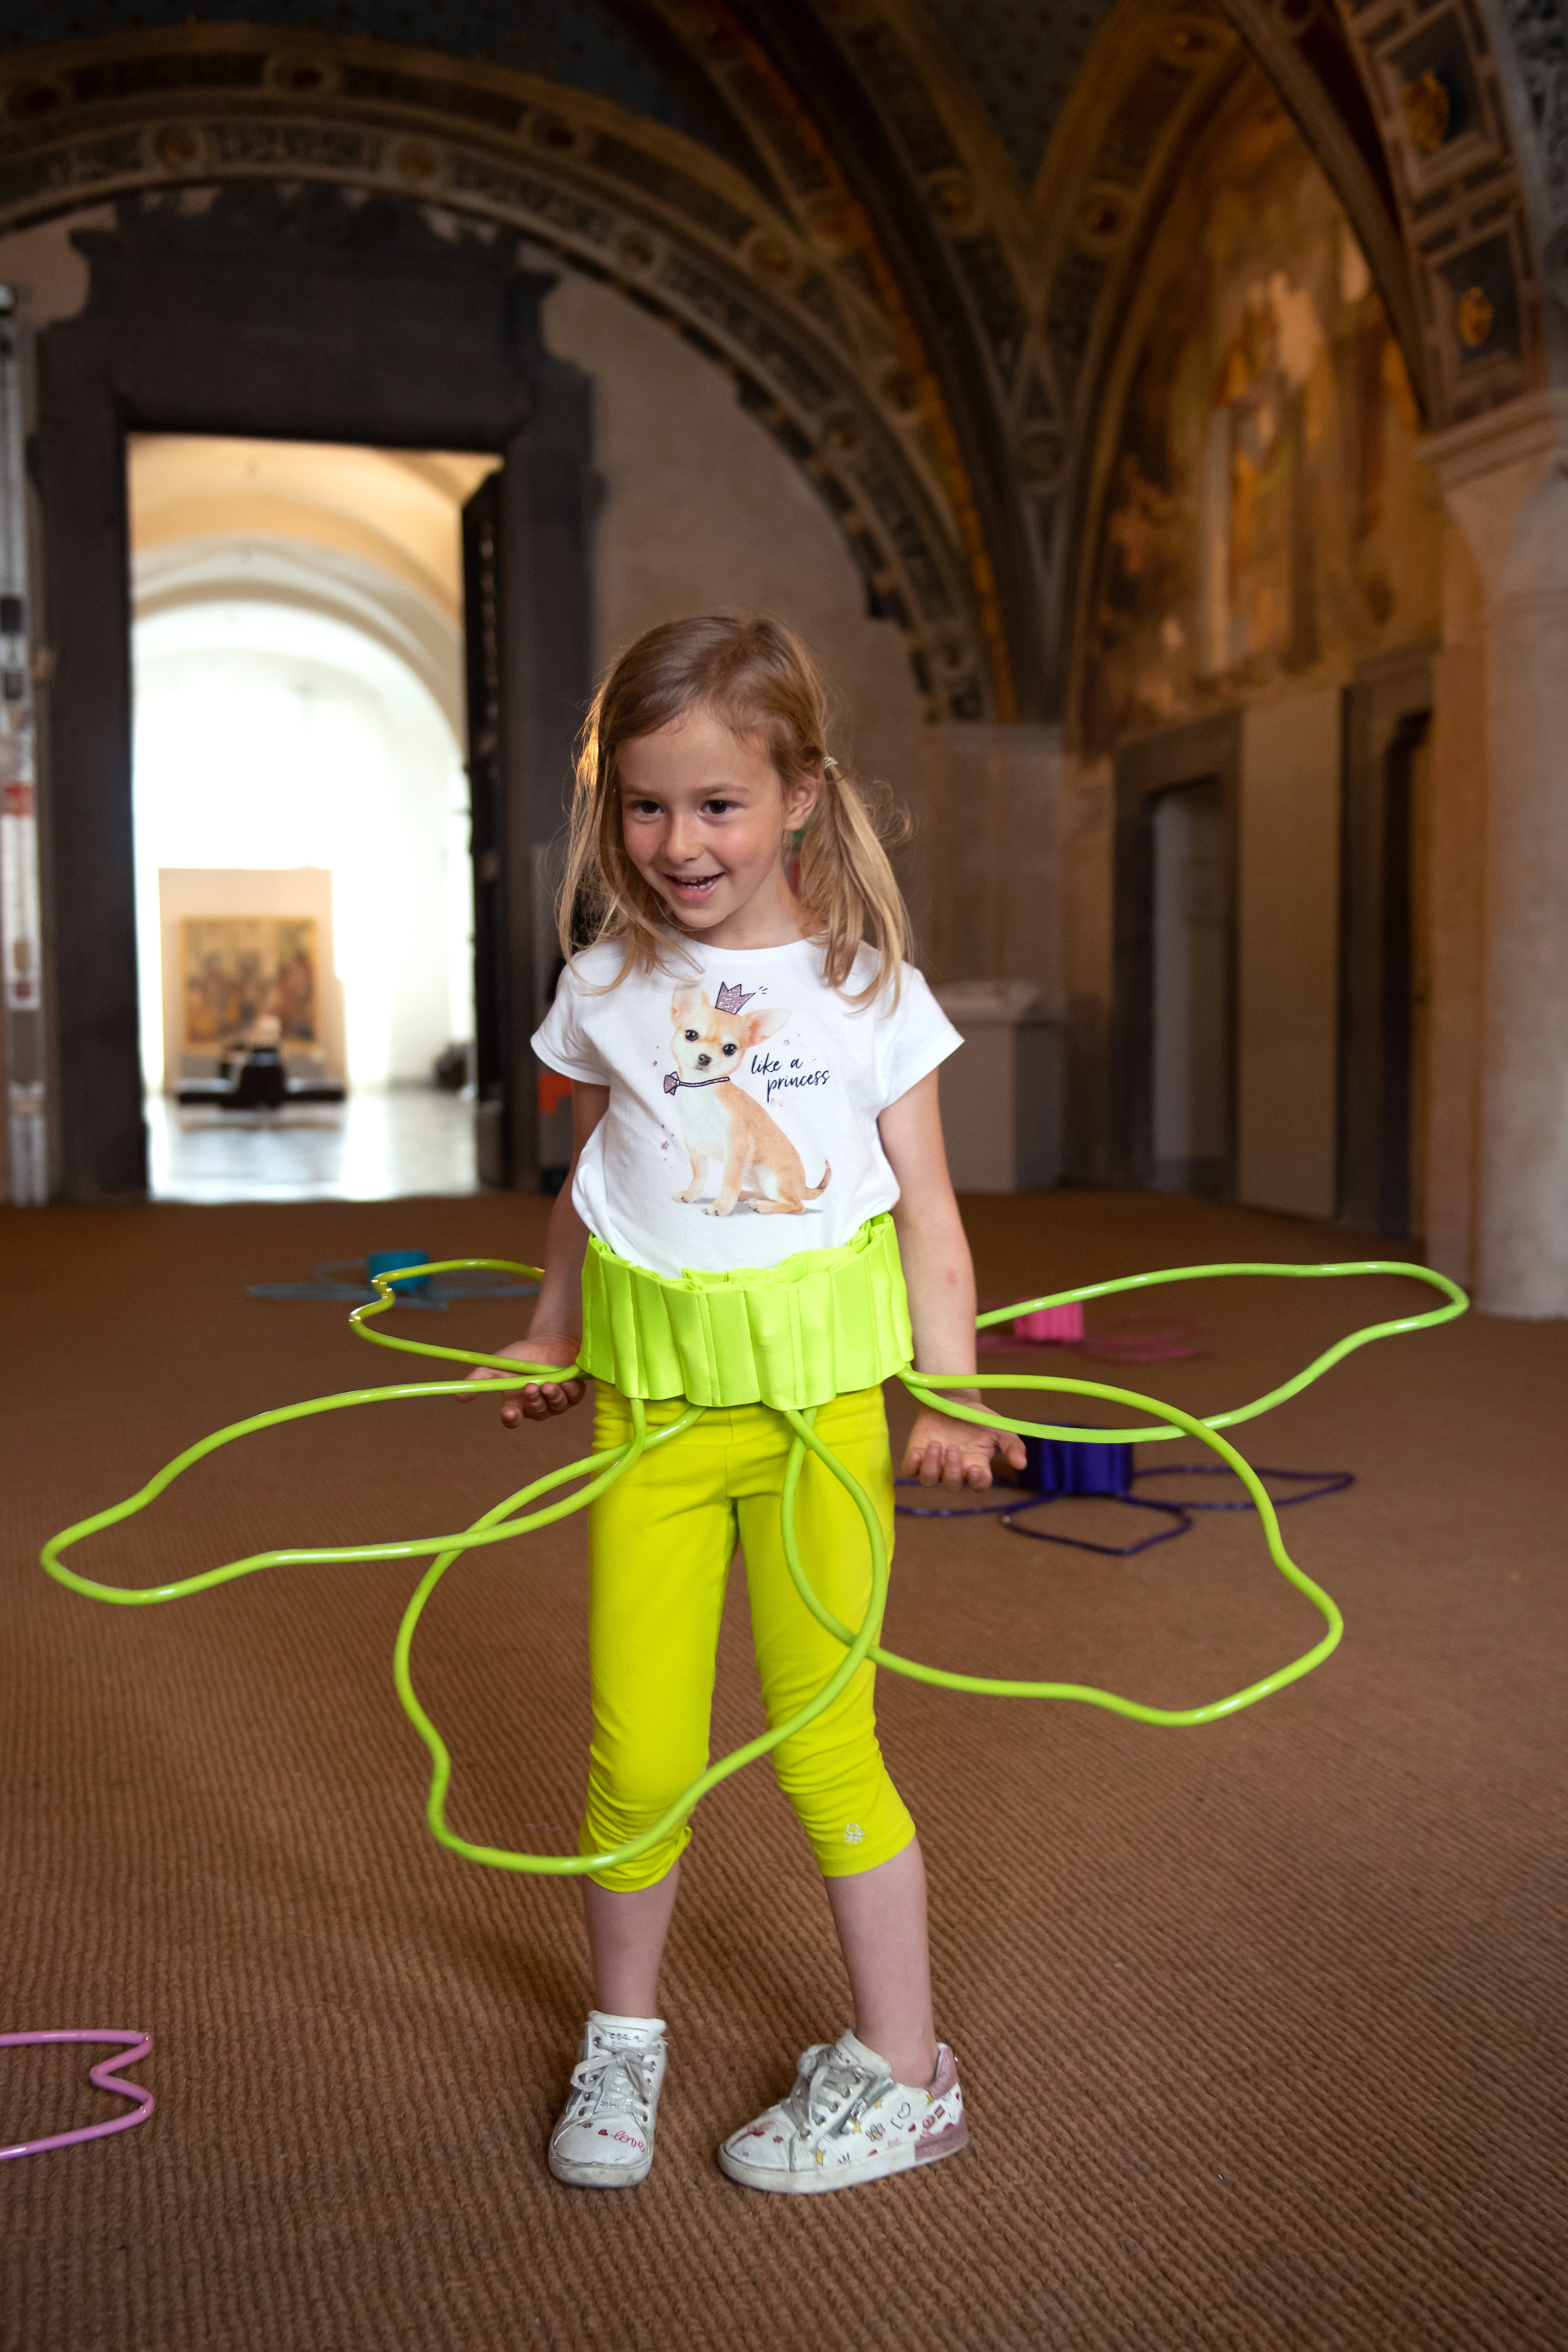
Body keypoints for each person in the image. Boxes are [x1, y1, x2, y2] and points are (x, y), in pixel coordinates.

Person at [478, 613, 1024, 2196]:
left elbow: (927, 1207)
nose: (679, 842)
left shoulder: (869, 989)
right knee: (635, 1759)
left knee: (824, 1749)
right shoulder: (607, 979)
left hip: (818, 1428)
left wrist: (957, 1391)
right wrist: (545, 1330)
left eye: (716, 803)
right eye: (645, 806)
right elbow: (601, 1173)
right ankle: (623, 2039)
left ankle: (907, 2073)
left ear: (797, 794)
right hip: (646, 1419)